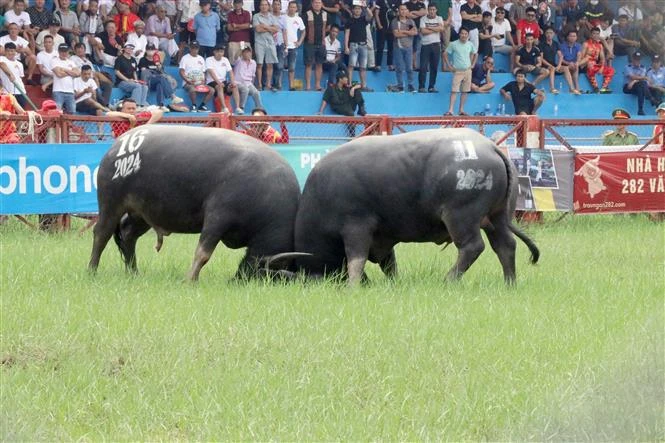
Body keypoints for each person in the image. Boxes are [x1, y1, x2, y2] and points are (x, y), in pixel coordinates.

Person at [443, 27, 476, 116]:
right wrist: (449, 66)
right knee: (454, 91)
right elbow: (445, 54)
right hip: (457, 71)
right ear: (459, 34)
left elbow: (474, 53)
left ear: (468, 35)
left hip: (467, 71)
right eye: (462, 33)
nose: (464, 35)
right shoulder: (453, 44)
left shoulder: (470, 44)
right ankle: (450, 110)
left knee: (465, 91)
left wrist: (472, 65)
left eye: (466, 34)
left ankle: (461, 110)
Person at [139, 43, 183, 109]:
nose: (150, 51)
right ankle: (173, 96)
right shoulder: (142, 60)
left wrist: (159, 66)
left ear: (155, 51)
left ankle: (161, 105)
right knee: (161, 78)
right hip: (148, 81)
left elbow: (162, 72)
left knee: (160, 84)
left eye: (152, 49)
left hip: (157, 80)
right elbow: (144, 72)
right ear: (146, 51)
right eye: (148, 49)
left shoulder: (156, 59)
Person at [539, 26, 579, 94]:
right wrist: (550, 65)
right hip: (545, 65)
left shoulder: (555, 43)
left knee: (566, 68)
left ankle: (571, 89)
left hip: (554, 64)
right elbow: (541, 58)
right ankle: (552, 88)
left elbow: (560, 56)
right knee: (552, 68)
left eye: (551, 33)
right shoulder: (541, 44)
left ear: (554, 34)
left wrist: (559, 65)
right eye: (547, 33)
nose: (549, 34)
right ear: (545, 34)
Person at [388, 3, 416, 92]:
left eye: (404, 9)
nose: (403, 11)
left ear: (407, 11)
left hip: (409, 47)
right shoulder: (395, 21)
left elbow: (414, 32)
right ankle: (400, 86)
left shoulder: (410, 21)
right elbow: (396, 34)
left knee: (409, 68)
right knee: (399, 68)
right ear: (398, 11)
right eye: (401, 9)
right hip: (398, 47)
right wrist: (408, 32)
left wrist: (403, 31)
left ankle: (410, 85)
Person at [179, 40, 213, 112]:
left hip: (199, 82)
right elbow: (181, 72)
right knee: (192, 89)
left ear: (198, 49)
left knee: (212, 90)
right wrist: (187, 80)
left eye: (196, 48)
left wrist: (203, 81)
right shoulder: (185, 58)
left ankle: (202, 106)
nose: (195, 50)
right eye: (193, 48)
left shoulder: (201, 58)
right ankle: (194, 106)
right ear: (190, 48)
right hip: (188, 82)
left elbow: (204, 72)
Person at [253, 0, 279, 91]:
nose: (264, 6)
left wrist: (265, 26)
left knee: (270, 64)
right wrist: (270, 28)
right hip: (259, 42)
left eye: (265, 5)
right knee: (259, 64)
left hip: (270, 43)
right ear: (259, 6)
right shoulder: (256, 16)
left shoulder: (272, 16)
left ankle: (268, 84)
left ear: (268, 6)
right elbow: (258, 29)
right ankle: (259, 84)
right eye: (262, 5)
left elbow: (276, 29)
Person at [205, 44, 239, 114]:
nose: (220, 53)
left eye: (221, 51)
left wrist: (233, 82)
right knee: (220, 86)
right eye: (218, 51)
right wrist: (218, 82)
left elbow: (230, 72)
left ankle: (238, 107)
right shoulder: (209, 59)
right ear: (214, 52)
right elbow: (211, 73)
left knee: (234, 86)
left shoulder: (225, 59)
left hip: (223, 81)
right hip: (212, 81)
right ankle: (224, 107)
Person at [417, 3, 443, 93]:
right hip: (425, 45)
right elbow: (423, 31)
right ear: (428, 10)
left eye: (433, 9)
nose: (432, 11)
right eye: (430, 9)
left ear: (436, 10)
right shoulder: (423, 19)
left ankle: (431, 87)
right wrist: (435, 28)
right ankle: (421, 86)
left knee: (434, 67)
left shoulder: (439, 18)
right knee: (423, 67)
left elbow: (441, 29)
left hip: (436, 45)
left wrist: (429, 27)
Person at [579, 26, 614, 94]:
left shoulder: (600, 45)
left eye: (597, 34)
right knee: (590, 64)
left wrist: (601, 68)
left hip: (595, 65)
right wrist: (585, 62)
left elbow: (602, 59)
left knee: (611, 70)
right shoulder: (586, 44)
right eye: (594, 34)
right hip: (585, 65)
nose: (596, 35)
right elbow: (582, 57)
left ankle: (603, 88)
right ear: (591, 34)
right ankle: (595, 88)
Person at [623, 51, 658, 116]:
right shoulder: (627, 67)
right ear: (632, 59)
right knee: (642, 84)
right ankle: (651, 99)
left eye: (638, 59)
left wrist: (634, 81)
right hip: (627, 87)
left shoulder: (642, 67)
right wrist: (642, 78)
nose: (637, 61)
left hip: (636, 86)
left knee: (641, 86)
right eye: (636, 59)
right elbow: (631, 76)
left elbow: (639, 79)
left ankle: (640, 110)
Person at [115, 42, 149, 107]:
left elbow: (134, 72)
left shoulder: (133, 59)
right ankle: (135, 105)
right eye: (128, 47)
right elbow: (117, 72)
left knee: (145, 86)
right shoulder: (119, 59)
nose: (130, 49)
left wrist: (136, 81)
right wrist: (127, 80)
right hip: (121, 82)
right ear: (124, 49)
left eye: (132, 48)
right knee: (137, 86)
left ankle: (142, 105)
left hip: (132, 81)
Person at [303, 0, 328, 91]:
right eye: (315, 3)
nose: (317, 4)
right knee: (308, 65)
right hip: (309, 43)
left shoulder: (325, 14)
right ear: (312, 4)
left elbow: (328, 27)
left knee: (319, 65)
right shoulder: (307, 14)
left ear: (321, 4)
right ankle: (308, 86)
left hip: (321, 44)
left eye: (319, 3)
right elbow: (303, 29)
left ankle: (317, 85)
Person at [51, 43, 80, 114]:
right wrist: (71, 72)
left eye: (65, 51)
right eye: (62, 51)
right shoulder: (54, 60)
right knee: (57, 112)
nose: (64, 53)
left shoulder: (71, 62)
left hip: (70, 91)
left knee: (72, 112)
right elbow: (59, 74)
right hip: (58, 90)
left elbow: (77, 74)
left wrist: (65, 69)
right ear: (59, 51)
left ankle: (70, 125)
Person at [233, 46, 263, 114]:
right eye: (246, 52)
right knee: (245, 89)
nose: (248, 54)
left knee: (256, 92)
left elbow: (253, 76)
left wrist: (252, 85)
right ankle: (241, 107)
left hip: (248, 83)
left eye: (249, 52)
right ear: (242, 53)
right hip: (238, 82)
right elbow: (236, 56)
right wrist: (240, 48)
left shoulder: (253, 62)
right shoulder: (239, 61)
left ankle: (259, 109)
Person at [284, 0, 305, 90]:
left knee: (292, 68)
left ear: (296, 9)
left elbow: (303, 31)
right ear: (288, 8)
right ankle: (278, 85)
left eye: (294, 7)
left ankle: (291, 86)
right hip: (283, 46)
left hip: (293, 47)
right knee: (280, 67)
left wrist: (300, 42)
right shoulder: (283, 18)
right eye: (290, 7)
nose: (292, 9)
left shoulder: (298, 19)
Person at [0, 43, 29, 108]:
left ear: (15, 52)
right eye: (8, 51)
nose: (10, 53)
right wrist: (10, 74)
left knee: (21, 113)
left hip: (21, 92)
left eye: (12, 51)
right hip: (7, 93)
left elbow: (21, 78)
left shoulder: (19, 64)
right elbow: (2, 64)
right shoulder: (2, 58)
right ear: (5, 51)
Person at [226, 0, 251, 65]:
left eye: (239, 3)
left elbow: (247, 26)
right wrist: (242, 27)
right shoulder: (230, 14)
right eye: (236, 3)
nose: (237, 5)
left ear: (242, 4)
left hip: (245, 41)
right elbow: (229, 28)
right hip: (233, 41)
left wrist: (236, 26)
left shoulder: (246, 13)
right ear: (233, 4)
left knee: (246, 61)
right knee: (233, 63)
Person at [560, 29, 582, 93]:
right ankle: (572, 89)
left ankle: (577, 88)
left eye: (574, 36)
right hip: (564, 65)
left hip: (573, 64)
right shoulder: (562, 46)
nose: (573, 38)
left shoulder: (578, 45)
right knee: (566, 68)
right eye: (571, 36)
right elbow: (561, 59)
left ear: (576, 37)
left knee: (576, 66)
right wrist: (568, 63)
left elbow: (579, 55)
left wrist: (577, 62)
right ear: (567, 37)